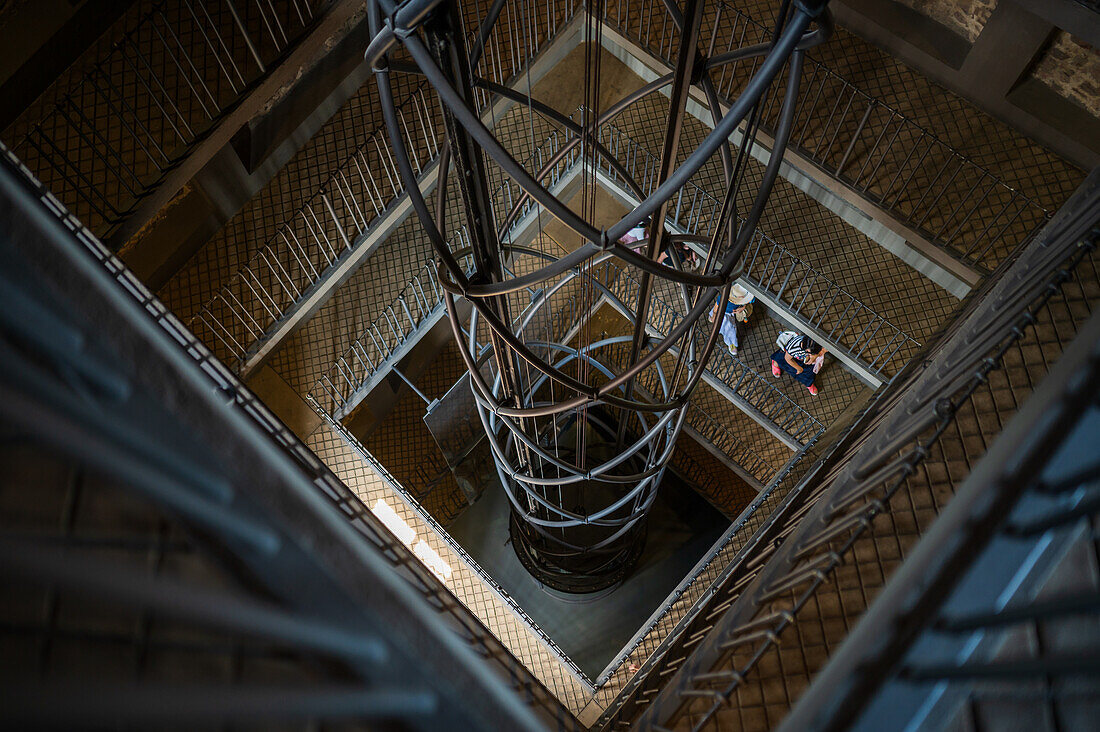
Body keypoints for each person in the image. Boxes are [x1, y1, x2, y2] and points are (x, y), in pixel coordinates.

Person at [771, 330, 826, 395]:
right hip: (789, 356)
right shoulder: (793, 348)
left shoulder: (811, 343)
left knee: (811, 370)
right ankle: (776, 362)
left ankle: (808, 383)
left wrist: (813, 357)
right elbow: (788, 358)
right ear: (807, 350)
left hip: (802, 357)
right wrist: (799, 368)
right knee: (784, 361)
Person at [708, 284, 755, 357]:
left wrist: (743, 307)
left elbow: (750, 301)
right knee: (730, 327)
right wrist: (714, 315)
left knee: (729, 327)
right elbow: (716, 309)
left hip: (730, 314)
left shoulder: (744, 294)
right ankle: (731, 343)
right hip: (722, 311)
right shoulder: (723, 298)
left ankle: (730, 342)